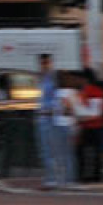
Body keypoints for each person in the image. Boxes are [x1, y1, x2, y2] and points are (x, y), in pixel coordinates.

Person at [35, 54, 63, 190]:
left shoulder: (53, 78)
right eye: (42, 63)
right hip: (42, 117)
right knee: (45, 150)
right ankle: (49, 178)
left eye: (45, 63)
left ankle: (53, 179)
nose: (43, 66)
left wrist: (50, 110)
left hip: (50, 118)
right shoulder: (42, 78)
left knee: (51, 149)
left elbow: (56, 98)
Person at [76, 68, 103, 183]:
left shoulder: (93, 92)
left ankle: (89, 176)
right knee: (94, 152)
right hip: (93, 126)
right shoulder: (90, 91)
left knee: (86, 152)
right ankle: (94, 175)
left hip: (92, 126)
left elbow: (96, 113)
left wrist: (82, 118)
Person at [53, 71, 83, 187]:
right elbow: (77, 109)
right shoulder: (73, 92)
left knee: (60, 153)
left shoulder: (56, 93)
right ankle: (70, 179)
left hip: (57, 124)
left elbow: (55, 109)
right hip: (70, 124)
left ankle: (61, 178)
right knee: (70, 154)